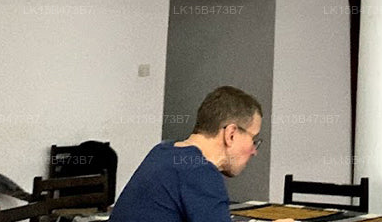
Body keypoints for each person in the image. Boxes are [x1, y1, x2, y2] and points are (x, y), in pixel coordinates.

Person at [111, 86, 273, 222]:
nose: (254, 151)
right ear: (231, 134)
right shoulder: (200, 171)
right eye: (253, 139)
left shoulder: (162, 151)